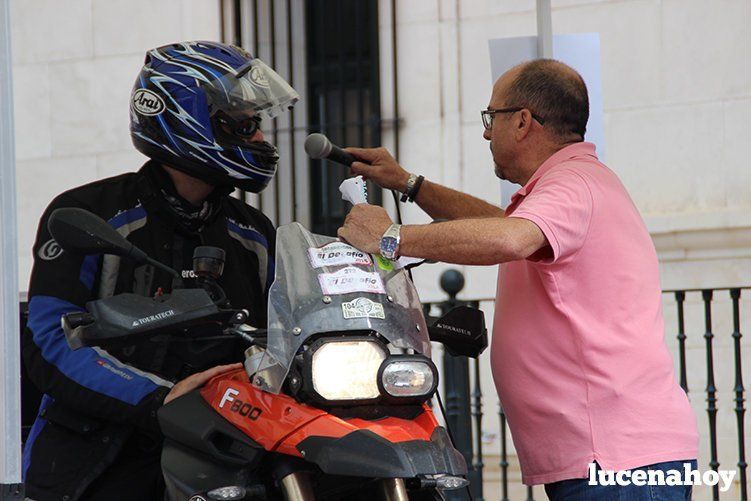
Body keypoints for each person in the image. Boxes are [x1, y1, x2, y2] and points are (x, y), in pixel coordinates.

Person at [338, 59, 699, 499]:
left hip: (614, 459)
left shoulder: (572, 185)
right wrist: (408, 183)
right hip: (612, 454)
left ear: (524, 121)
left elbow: (509, 238)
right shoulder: (574, 184)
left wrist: (389, 238)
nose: (487, 133)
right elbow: (504, 223)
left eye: (492, 117)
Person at [22, 41, 299, 500]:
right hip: (100, 455)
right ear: (190, 118)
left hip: (223, 450)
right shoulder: (88, 212)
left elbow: (286, 333)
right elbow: (50, 341)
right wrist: (161, 398)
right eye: (246, 124)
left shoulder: (252, 232)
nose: (260, 140)